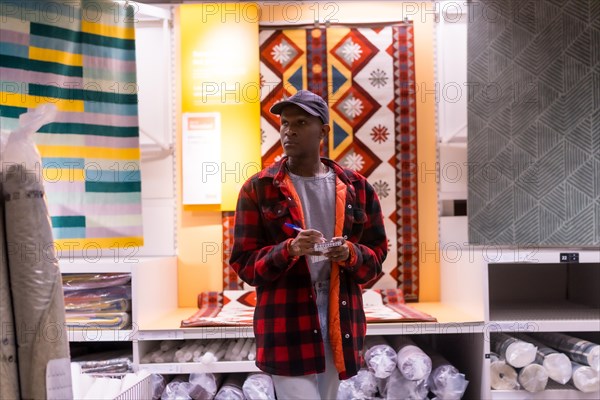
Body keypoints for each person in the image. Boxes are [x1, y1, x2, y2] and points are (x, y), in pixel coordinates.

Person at [230, 90, 388, 399]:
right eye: (285, 122)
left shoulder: (357, 188)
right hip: (286, 317)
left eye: (301, 122)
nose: (289, 130)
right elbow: (245, 264)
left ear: (324, 131)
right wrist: (288, 250)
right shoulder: (259, 188)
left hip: (340, 314)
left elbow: (376, 257)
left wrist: (350, 253)